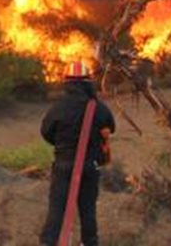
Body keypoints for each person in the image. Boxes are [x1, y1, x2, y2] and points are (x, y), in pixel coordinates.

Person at [39, 61, 115, 246]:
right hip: (90, 166)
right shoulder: (98, 108)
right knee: (88, 211)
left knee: (56, 210)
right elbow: (111, 127)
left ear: (67, 83)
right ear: (88, 83)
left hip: (63, 165)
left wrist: (62, 146)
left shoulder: (58, 108)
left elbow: (46, 131)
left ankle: (49, 243)